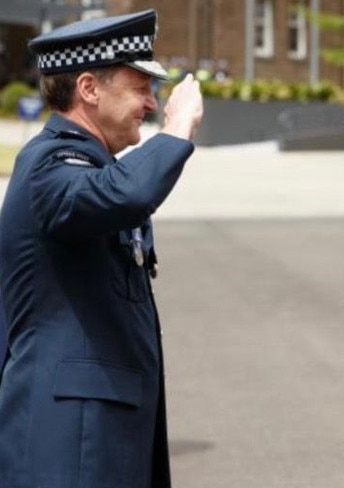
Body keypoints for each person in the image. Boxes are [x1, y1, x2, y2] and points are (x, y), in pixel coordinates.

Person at [0, 9, 203, 488]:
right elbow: (125, 194)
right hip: (70, 444)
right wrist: (177, 131)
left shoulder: (89, 165)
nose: (151, 104)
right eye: (140, 88)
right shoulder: (52, 163)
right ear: (89, 89)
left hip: (100, 437)